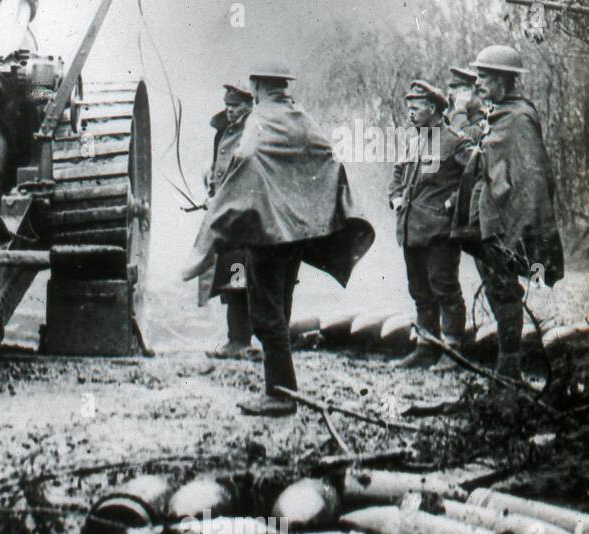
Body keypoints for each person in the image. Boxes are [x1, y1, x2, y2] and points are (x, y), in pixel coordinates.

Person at [183, 60, 374, 416]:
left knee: (266, 317)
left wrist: (240, 194)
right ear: (284, 85)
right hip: (296, 234)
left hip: (268, 233)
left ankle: (280, 395)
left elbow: (247, 155)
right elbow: (329, 158)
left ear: (256, 85)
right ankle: (284, 391)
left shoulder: (260, 119)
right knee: (280, 311)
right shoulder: (302, 118)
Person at [451, 44, 563, 385]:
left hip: (507, 222)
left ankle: (509, 368)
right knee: (496, 288)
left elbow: (533, 177)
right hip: (487, 220)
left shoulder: (519, 118)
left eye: (485, 77)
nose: (478, 83)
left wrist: (521, 229)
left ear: (504, 79)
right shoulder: (497, 114)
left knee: (505, 289)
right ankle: (507, 366)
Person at [389, 80, 468, 370]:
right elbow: (397, 175)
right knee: (419, 290)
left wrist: (453, 204)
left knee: (444, 287)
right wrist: (395, 197)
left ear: (433, 108)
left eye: (416, 108)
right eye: (408, 108)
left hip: (439, 231)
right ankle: (425, 346)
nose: (410, 113)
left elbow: (476, 175)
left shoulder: (454, 141)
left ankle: (452, 349)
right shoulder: (412, 141)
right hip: (410, 229)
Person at [198, 83, 255, 358]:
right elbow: (218, 169)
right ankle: (237, 338)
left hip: (244, 222)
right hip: (227, 221)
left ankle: (242, 341)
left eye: (235, 107)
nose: (230, 111)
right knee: (232, 280)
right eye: (228, 106)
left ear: (248, 106)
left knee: (241, 279)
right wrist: (210, 190)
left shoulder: (253, 132)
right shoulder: (223, 131)